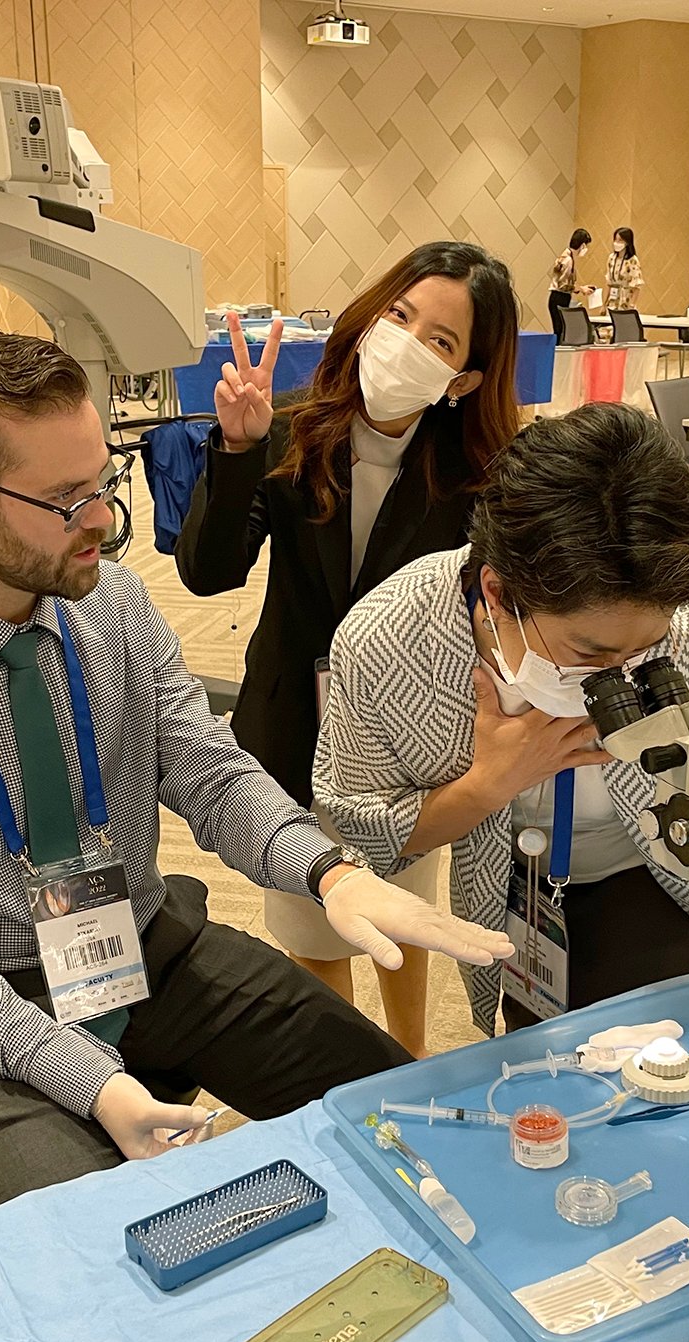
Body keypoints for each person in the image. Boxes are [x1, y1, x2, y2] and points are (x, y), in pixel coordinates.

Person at [0, 325, 511, 1211]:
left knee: (394, 1105)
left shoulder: (112, 606)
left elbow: (208, 770)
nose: (107, 522)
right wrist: (95, 1083)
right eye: (66, 499)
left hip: (137, 947)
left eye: (102, 481)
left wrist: (329, 871)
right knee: (105, 1237)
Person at [313, 403, 689, 1038]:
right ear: (498, 592)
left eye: (644, 651)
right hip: (509, 876)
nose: (619, 673)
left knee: (633, 1043)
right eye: (590, 653)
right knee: (533, 1043)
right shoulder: (390, 640)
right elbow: (360, 831)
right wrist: (486, 787)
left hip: (656, 867)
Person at [176, 242, 520, 1056]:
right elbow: (206, 573)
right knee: (316, 924)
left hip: (406, 738)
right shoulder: (287, 431)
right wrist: (236, 450)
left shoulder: (476, 476)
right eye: (400, 316)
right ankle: (352, 1066)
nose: (406, 342)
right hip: (292, 722)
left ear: (463, 379)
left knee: (405, 904)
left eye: (440, 340)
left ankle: (408, 1054)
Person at [548, 228, 593, 342]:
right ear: (582, 245)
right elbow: (563, 285)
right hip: (560, 297)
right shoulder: (568, 260)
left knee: (559, 330)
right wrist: (581, 289)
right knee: (560, 331)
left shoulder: (565, 256)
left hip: (557, 297)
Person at [606, 227, 644, 312]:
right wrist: (604, 304)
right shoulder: (611, 258)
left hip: (626, 301)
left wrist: (632, 305)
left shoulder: (632, 260)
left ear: (627, 242)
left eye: (620, 240)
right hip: (612, 302)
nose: (616, 243)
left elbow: (637, 286)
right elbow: (609, 283)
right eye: (615, 240)